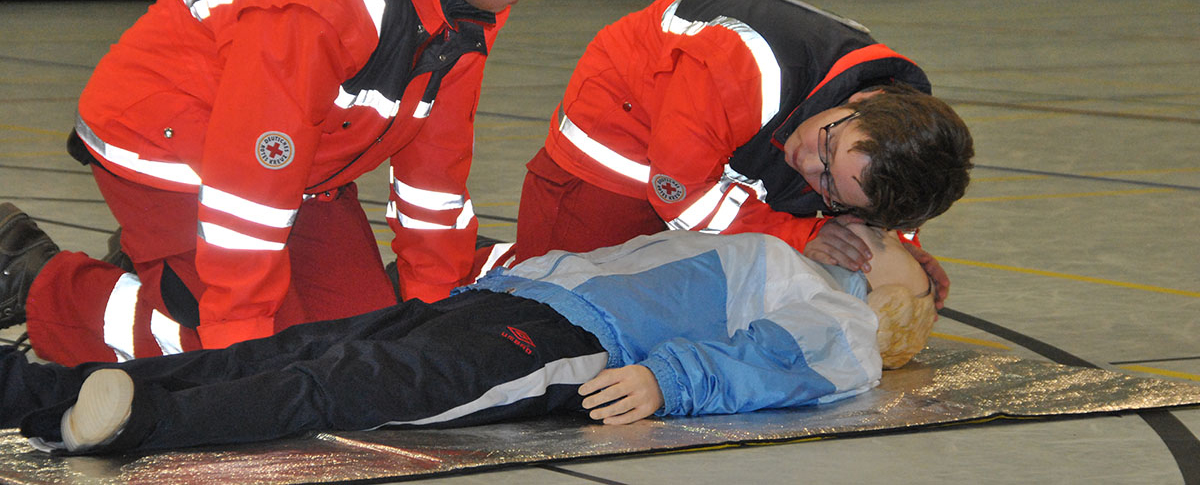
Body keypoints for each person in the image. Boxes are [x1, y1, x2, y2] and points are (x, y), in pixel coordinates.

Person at [0, 0, 581, 366]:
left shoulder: (469, 0)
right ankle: (38, 278)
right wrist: (239, 341)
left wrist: (434, 305)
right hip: (171, 153)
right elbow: (246, 189)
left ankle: (164, 269)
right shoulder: (319, 4)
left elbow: (436, 167)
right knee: (262, 352)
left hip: (298, 169)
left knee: (366, 347)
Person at [2, 224, 935, 455]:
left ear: (901, 307)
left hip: (566, 342)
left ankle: (139, 427)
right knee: (296, 347)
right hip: (508, 299)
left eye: (897, 253)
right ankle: (32, 395)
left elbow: (795, 362)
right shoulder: (772, 243)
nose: (880, 240)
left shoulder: (843, 315)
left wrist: (668, 380)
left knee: (358, 382)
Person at [512, 0, 973, 306]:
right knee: (559, 296)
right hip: (627, 132)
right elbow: (685, 199)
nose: (807, 164)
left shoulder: (895, 128)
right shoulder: (739, 68)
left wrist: (900, 251)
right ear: (864, 100)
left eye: (829, 184)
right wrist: (802, 235)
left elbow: (871, 208)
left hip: (727, 138)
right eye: (828, 147)